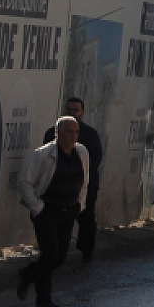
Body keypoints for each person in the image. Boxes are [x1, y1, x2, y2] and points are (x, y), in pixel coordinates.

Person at [17, 117, 92, 307]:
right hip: (47, 211)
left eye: (75, 132)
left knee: (60, 257)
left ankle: (27, 275)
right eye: (68, 132)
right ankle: (43, 298)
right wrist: (37, 207)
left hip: (68, 210)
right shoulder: (42, 155)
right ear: (57, 133)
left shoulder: (81, 152)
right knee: (50, 253)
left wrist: (79, 205)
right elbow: (25, 182)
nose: (72, 136)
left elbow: (84, 180)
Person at [45, 98, 104, 262]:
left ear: (82, 112)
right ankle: (56, 253)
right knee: (59, 222)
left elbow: (96, 159)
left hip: (85, 185)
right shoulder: (52, 133)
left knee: (86, 218)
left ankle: (87, 251)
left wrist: (78, 175)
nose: (73, 113)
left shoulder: (90, 135)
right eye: (69, 109)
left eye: (76, 110)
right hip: (58, 188)